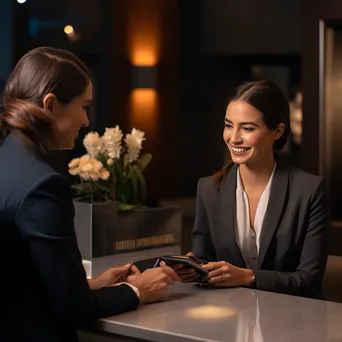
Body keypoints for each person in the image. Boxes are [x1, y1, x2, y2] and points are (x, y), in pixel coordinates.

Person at [0, 47, 180, 342]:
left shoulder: (7, 160)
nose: (86, 121)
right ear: (50, 104)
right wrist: (138, 290)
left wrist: (90, 284)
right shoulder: (41, 185)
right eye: (84, 106)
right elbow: (75, 308)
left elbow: (21, 280)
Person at [188, 80, 329, 299]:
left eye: (247, 128)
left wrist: (249, 277)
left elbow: (309, 279)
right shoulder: (208, 189)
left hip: (296, 320)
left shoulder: (309, 190)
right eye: (228, 125)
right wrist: (193, 269)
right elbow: (204, 260)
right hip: (229, 319)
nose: (233, 138)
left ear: (278, 131)